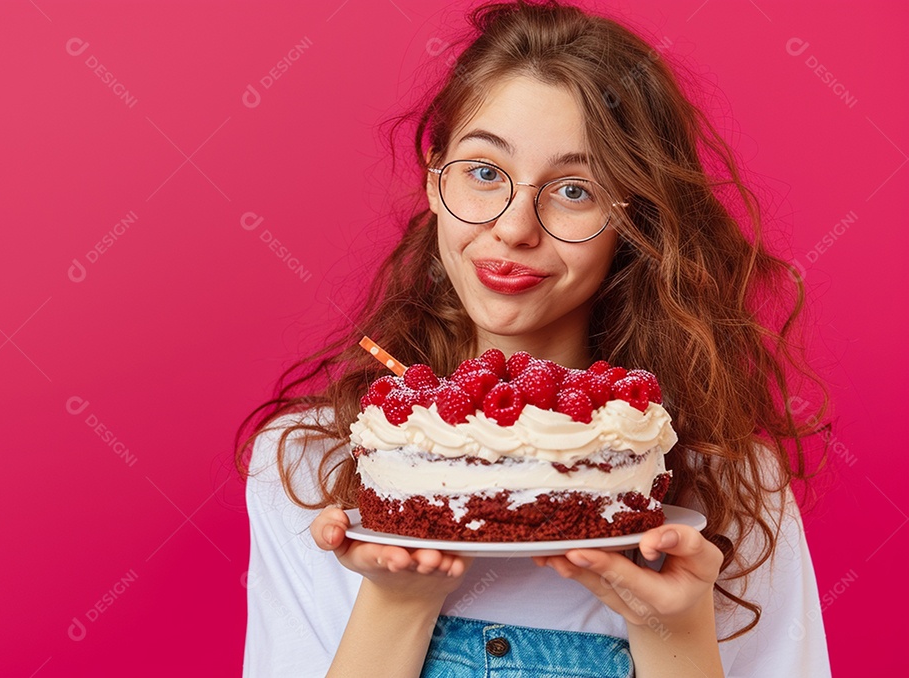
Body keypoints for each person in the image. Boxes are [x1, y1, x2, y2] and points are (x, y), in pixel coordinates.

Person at [237, 1, 832, 676]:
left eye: (574, 189)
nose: (515, 228)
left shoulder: (728, 483)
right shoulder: (308, 468)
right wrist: (399, 602)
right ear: (436, 178)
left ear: (633, 218)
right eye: (485, 172)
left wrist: (674, 629)